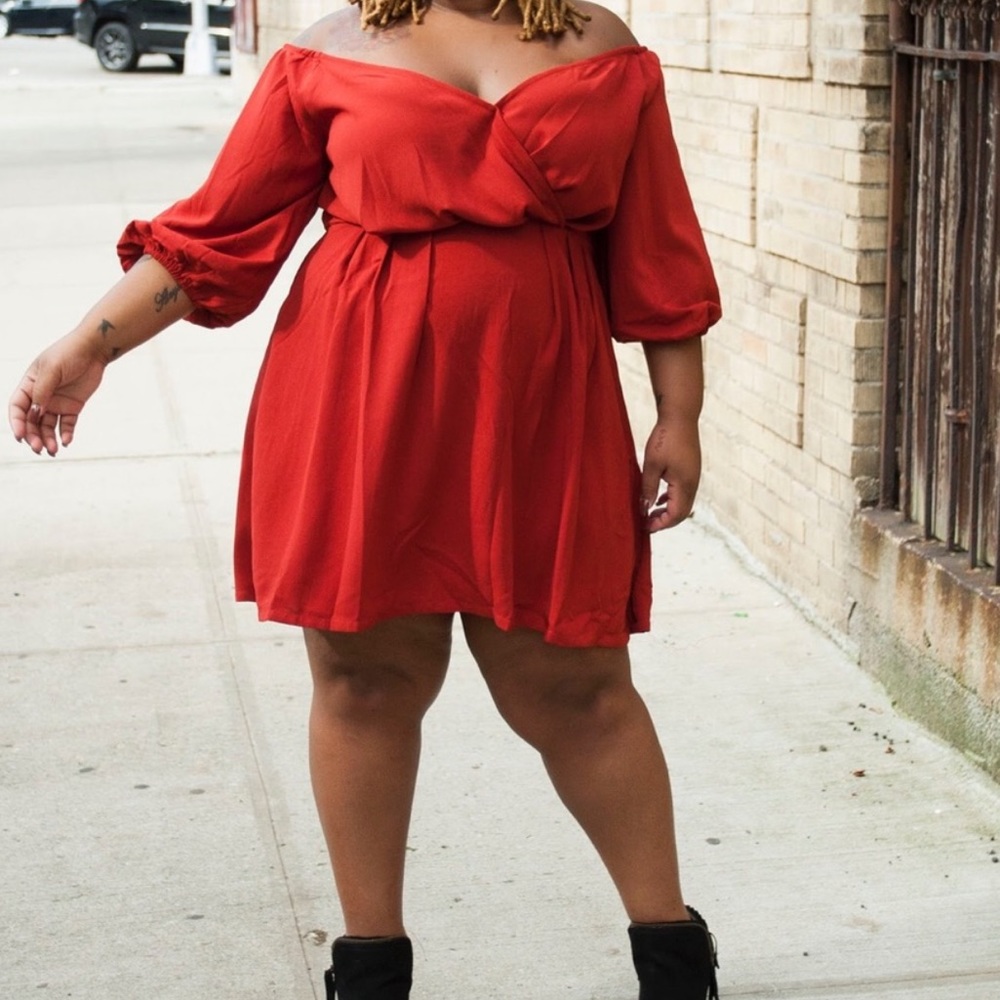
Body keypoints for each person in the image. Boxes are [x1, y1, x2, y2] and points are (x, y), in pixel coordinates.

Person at [8, 0, 722, 997]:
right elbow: (219, 234)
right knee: (364, 683)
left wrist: (678, 413)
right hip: (359, 399)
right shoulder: (327, 54)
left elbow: (656, 249)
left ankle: (674, 963)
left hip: (541, 408)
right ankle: (371, 973)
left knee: (577, 687)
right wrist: (89, 345)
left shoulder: (604, 50)